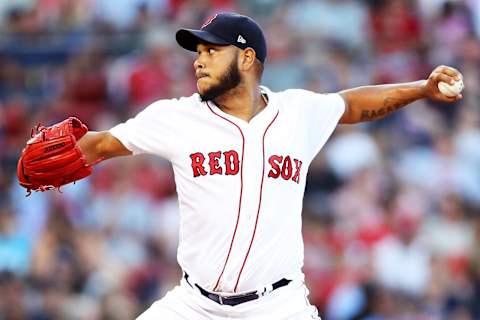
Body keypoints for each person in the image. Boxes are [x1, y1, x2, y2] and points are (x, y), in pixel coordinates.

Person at [27, 12, 464, 320]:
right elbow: (101, 144)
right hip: (194, 305)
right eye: (197, 51)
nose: (198, 59)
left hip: (278, 306)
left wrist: (422, 89)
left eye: (211, 51)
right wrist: (62, 152)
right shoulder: (177, 116)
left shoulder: (297, 113)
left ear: (247, 58)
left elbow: (351, 104)